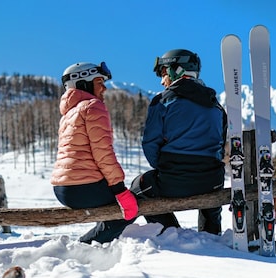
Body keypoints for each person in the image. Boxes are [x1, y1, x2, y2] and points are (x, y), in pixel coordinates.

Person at [130, 49, 227, 235]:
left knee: (139, 186)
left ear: (177, 69)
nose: (162, 80)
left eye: (164, 72)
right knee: (213, 187)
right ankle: (211, 236)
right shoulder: (216, 106)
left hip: (172, 180)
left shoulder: (163, 101)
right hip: (211, 181)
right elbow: (220, 147)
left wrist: (167, 167)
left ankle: (172, 233)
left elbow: (150, 143)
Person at [51, 61, 138, 244]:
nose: (104, 88)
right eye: (100, 82)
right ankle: (83, 247)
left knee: (114, 210)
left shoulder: (69, 113)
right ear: (84, 83)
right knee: (134, 206)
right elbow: (103, 153)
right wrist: (120, 190)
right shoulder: (92, 106)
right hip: (83, 189)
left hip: (62, 190)